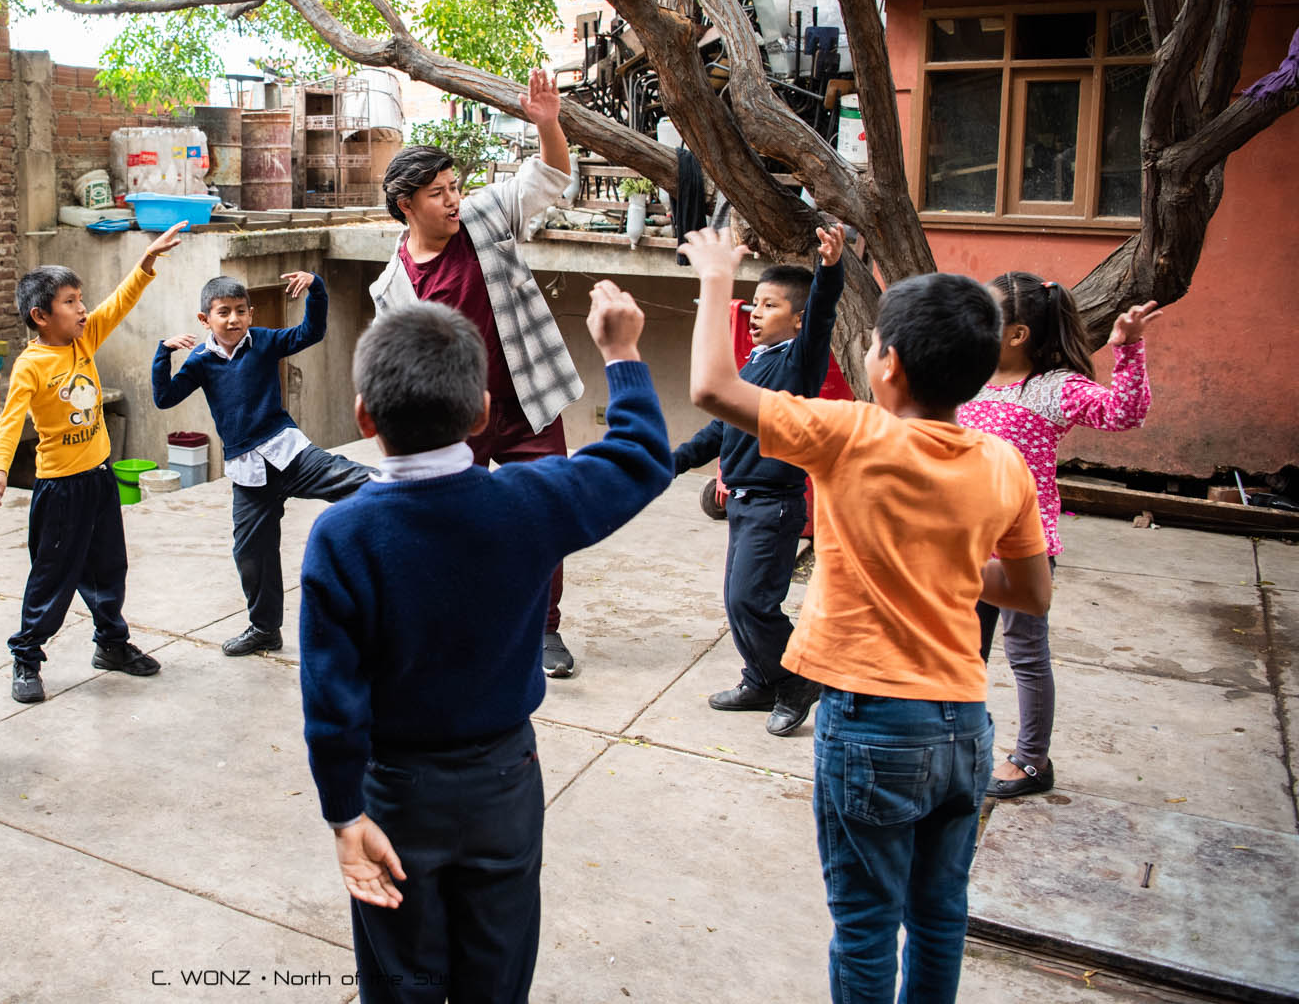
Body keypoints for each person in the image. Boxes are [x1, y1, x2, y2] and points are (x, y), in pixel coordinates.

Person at [678, 227, 1052, 1003]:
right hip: (962, 726)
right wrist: (942, 562)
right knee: (941, 914)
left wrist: (718, 275)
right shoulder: (1001, 461)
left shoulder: (852, 436)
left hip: (874, 723)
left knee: (865, 924)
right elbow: (1030, 592)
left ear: (889, 366)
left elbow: (713, 387)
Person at [300, 288, 672, 1003]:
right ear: (480, 415)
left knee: (403, 978)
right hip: (504, 779)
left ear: (363, 417)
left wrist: (345, 815)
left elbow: (331, 703)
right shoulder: (530, 501)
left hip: (396, 791)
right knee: (497, 977)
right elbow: (639, 458)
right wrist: (621, 353)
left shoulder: (343, 536)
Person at [369, 70, 587, 677]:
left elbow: (549, 178)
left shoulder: (487, 218)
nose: (452, 200)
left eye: (454, 186)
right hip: (455, 425)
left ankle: (544, 631)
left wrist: (547, 122)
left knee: (541, 515)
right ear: (405, 205)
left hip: (526, 403)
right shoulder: (391, 288)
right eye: (438, 193)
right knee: (457, 529)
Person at [960, 273, 1159, 799]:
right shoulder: (969, 378)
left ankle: (1031, 762)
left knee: (1025, 653)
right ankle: (956, 741)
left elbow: (1125, 413)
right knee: (961, 650)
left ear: (1018, 333)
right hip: (963, 545)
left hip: (1024, 549)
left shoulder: (1053, 389)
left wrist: (1130, 349)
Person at [0, 223, 188, 703]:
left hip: (98, 481)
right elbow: (11, 421)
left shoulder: (83, 339)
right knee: (53, 578)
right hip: (60, 488)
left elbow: (118, 303)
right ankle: (27, 657)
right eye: (71, 302)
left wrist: (146, 262)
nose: (82, 309)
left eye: (81, 299)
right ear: (40, 315)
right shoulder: (31, 365)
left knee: (108, 569)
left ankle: (112, 646)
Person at [671, 224, 847, 736]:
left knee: (753, 601)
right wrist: (670, 463)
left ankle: (798, 680)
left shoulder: (798, 361)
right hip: (745, 504)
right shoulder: (751, 366)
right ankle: (761, 681)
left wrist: (829, 270)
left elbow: (823, 315)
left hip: (776, 504)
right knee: (738, 601)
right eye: (754, 302)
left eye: (770, 305)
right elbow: (719, 429)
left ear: (796, 321)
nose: (755, 311)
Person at [153, 271, 374, 655]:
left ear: (251, 314)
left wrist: (317, 289)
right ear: (205, 319)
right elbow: (165, 398)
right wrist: (163, 354)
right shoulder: (200, 361)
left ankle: (416, 495)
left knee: (354, 480)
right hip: (248, 473)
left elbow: (310, 332)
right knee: (251, 555)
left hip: (287, 453)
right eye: (224, 312)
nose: (234, 319)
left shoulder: (266, 341)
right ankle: (264, 630)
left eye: (241, 311)